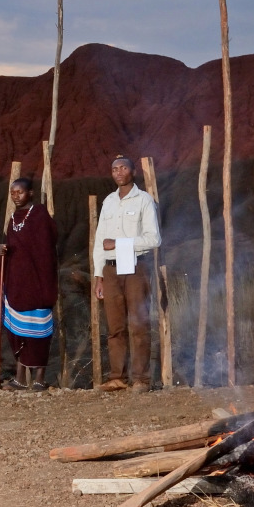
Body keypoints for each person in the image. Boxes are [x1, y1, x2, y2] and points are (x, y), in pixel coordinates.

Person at [93, 156, 160, 391]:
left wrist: (120, 243)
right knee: (115, 326)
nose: (118, 172)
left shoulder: (144, 200)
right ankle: (117, 377)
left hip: (134, 267)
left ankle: (141, 379)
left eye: (123, 168)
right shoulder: (109, 202)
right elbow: (100, 241)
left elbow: (154, 238)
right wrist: (98, 277)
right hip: (111, 270)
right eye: (114, 169)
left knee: (139, 324)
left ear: (133, 171)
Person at [0, 176, 58, 391]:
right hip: (18, 283)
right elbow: (12, 246)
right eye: (13, 192)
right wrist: (2, 249)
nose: (16, 196)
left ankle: (40, 379)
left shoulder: (39, 215)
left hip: (38, 282)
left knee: (38, 331)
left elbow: (45, 249)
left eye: (20, 192)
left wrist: (40, 277)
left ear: (30, 193)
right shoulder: (14, 218)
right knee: (18, 330)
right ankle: (20, 378)